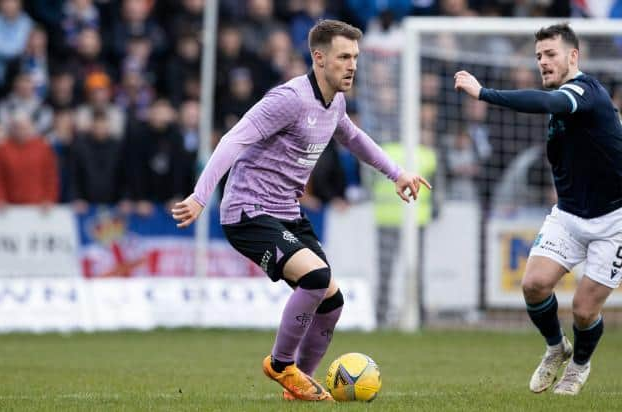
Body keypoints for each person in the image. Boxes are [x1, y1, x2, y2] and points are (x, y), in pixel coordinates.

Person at [171, 19, 431, 402]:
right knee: (315, 277)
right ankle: (280, 365)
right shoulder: (289, 99)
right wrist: (200, 195)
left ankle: (300, 384)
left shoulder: (335, 102)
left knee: (332, 301)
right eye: (344, 57)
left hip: (286, 212)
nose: (352, 65)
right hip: (247, 210)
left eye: (356, 57)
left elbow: (354, 138)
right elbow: (234, 138)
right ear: (319, 58)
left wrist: (396, 172)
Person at [454, 23, 622, 396]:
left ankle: (578, 366)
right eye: (538, 57)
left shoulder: (584, 92)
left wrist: (483, 93)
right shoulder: (564, 99)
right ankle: (555, 348)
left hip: (614, 220)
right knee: (533, 285)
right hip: (569, 214)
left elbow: (549, 103)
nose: (543, 62)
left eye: (550, 55)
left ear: (573, 56)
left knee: (583, 310)